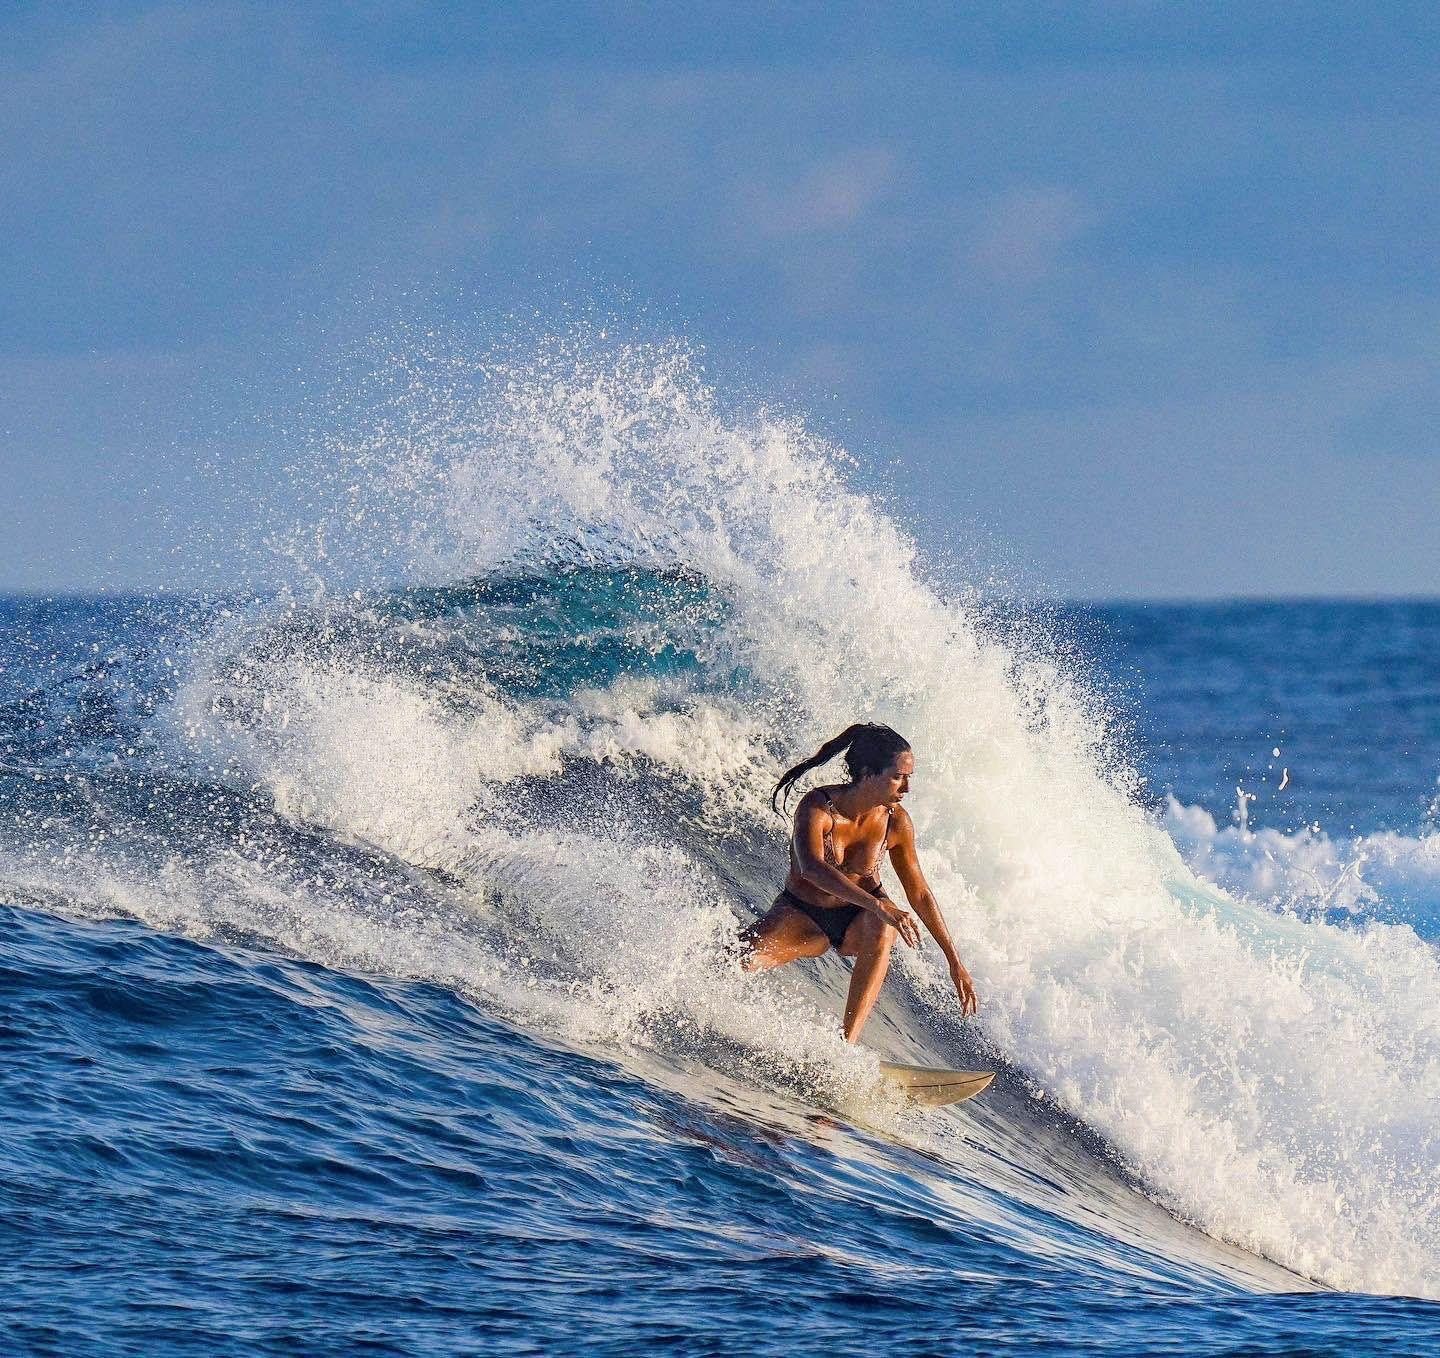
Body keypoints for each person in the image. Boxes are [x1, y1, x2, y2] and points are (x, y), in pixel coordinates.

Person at [740, 722, 979, 1043]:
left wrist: (954, 961)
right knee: (734, 962)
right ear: (867, 774)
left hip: (858, 923)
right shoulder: (817, 808)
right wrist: (877, 905)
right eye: (898, 777)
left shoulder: (896, 822)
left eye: (909, 777)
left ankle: (846, 1045)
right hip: (801, 914)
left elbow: (919, 892)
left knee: (884, 927)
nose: (907, 788)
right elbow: (812, 869)